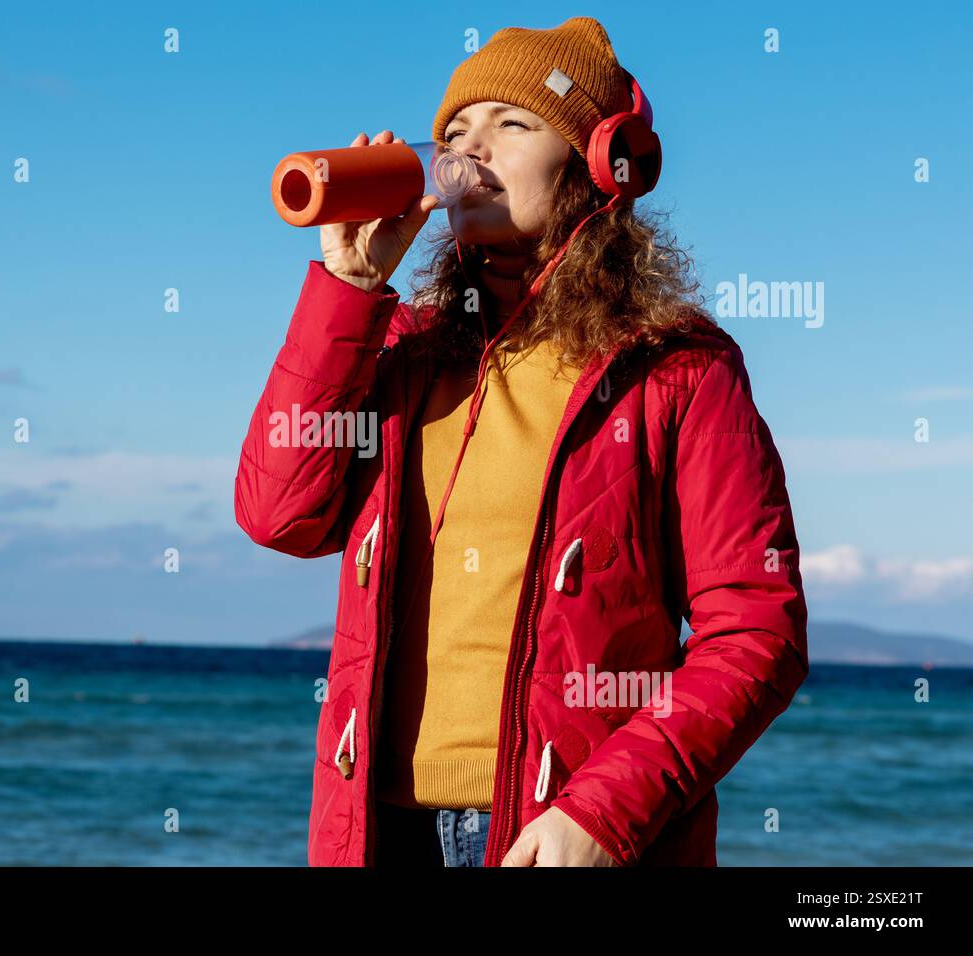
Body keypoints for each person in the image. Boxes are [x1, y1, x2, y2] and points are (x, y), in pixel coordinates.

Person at [234, 16, 809, 867]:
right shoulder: (397, 353)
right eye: (455, 133)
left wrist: (606, 814)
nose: (471, 152)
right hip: (375, 830)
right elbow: (280, 515)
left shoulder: (677, 370)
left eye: (512, 124)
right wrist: (349, 288)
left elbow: (757, 629)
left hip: (559, 840)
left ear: (598, 163)